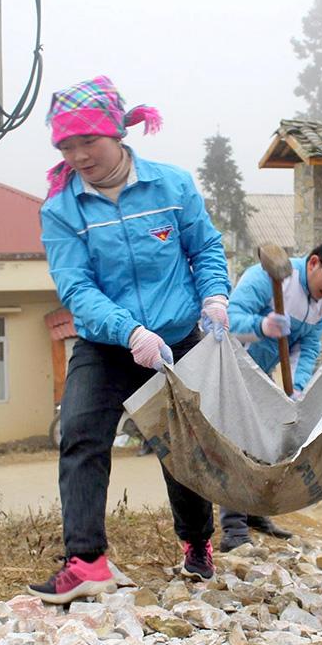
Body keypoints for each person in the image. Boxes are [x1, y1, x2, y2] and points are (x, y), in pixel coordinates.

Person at [30, 76, 231, 603]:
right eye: (66, 146)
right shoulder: (61, 210)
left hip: (177, 339)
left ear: (117, 133)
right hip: (106, 345)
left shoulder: (172, 185)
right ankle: (87, 560)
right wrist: (130, 330)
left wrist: (214, 297)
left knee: (180, 449)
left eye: (87, 142)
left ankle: (196, 542)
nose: (77, 155)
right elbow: (76, 287)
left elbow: (205, 247)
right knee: (80, 435)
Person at [220, 239, 322, 551]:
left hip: (262, 374)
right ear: (313, 263)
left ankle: (256, 513)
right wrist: (261, 325)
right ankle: (233, 529)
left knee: (268, 444)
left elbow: (307, 347)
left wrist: (297, 387)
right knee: (238, 445)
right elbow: (228, 319)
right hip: (231, 365)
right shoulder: (267, 279)